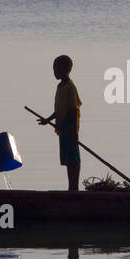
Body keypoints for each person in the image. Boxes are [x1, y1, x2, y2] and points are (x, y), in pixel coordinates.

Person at [38, 54, 82, 191]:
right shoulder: (60, 86)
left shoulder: (70, 86)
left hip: (69, 127)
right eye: (53, 69)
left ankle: (74, 188)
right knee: (68, 158)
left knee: (73, 158)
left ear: (66, 69)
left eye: (56, 69)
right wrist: (48, 120)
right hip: (62, 127)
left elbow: (73, 110)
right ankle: (71, 188)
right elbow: (59, 109)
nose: (54, 72)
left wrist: (73, 131)